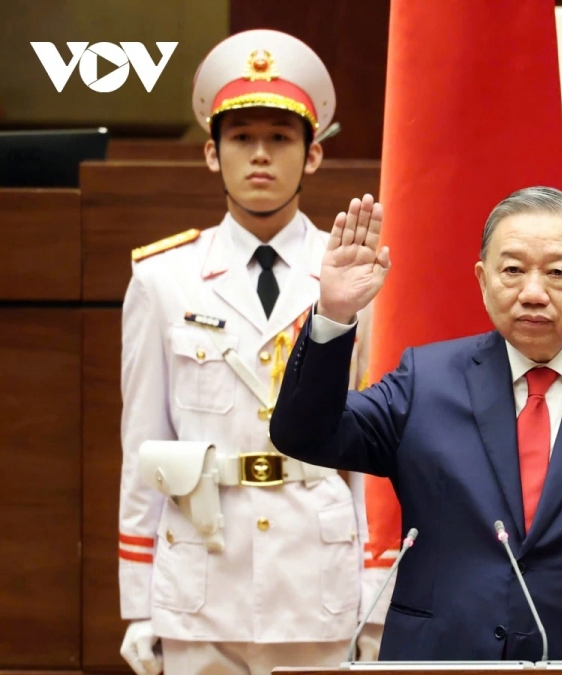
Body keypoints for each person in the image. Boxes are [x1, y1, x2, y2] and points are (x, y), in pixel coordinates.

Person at [269, 186, 562, 661]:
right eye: (513, 271)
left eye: (557, 272)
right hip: (442, 659)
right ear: (483, 280)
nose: (533, 293)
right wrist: (334, 315)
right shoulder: (426, 380)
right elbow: (306, 434)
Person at [118, 29, 386, 675]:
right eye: (241, 137)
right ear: (212, 153)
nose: (260, 154)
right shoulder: (163, 279)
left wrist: (378, 596)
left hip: (317, 573)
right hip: (201, 573)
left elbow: (374, 452)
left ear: (313, 154)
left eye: (280, 138)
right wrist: (138, 603)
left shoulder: (353, 274)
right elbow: (142, 446)